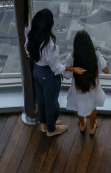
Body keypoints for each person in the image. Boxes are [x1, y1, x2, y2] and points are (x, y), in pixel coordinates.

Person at [25, 9, 85, 137]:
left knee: (41, 100)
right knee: (51, 103)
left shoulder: (30, 37)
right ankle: (51, 129)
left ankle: (44, 124)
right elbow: (56, 68)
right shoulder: (50, 45)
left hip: (37, 71)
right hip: (49, 76)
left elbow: (28, 51)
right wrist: (72, 69)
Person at [64, 30, 109, 136]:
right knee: (93, 107)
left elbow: (66, 76)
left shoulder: (72, 57)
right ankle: (92, 127)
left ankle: (83, 124)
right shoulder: (96, 53)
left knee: (79, 107)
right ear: (89, 42)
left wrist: (73, 69)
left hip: (77, 89)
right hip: (92, 88)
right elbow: (106, 70)